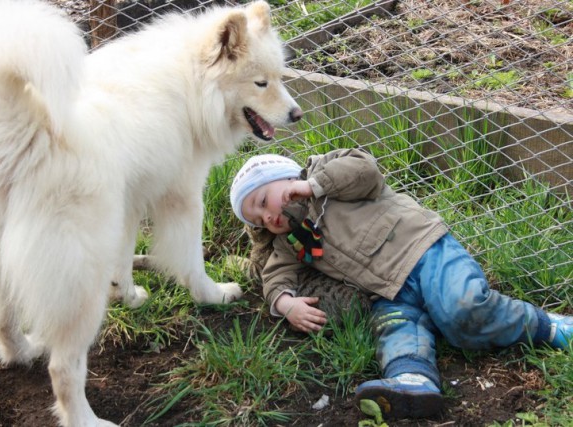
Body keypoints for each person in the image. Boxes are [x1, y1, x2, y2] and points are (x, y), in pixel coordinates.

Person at [228, 148, 573, 419]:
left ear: (285, 176)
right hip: (386, 292)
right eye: (258, 219)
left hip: (424, 252)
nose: (267, 218)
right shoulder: (288, 242)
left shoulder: (325, 176)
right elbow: (275, 276)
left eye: (262, 202)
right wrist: (287, 304)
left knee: (463, 309)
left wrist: (311, 186)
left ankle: (548, 326)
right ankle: (413, 380)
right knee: (395, 330)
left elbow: (365, 170)